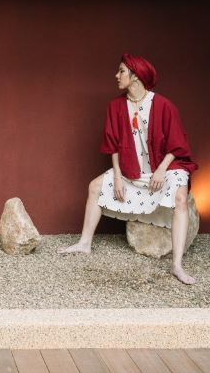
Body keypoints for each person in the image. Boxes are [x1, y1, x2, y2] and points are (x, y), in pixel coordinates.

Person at [60, 54, 199, 284]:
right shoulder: (115, 107)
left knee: (180, 198)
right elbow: (113, 146)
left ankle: (177, 265)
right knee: (95, 186)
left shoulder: (164, 105)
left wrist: (161, 170)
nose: (117, 75)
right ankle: (84, 243)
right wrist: (117, 176)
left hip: (165, 166)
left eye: (121, 71)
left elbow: (178, 144)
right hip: (132, 169)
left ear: (136, 76)